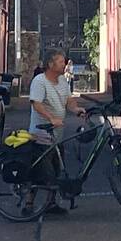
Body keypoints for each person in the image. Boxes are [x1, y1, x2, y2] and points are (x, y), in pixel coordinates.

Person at [27, 50, 85, 214]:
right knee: (40, 171)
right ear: (50, 65)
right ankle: (28, 204)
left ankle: (51, 203)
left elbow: (69, 101)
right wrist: (51, 118)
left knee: (57, 169)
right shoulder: (40, 81)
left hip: (57, 136)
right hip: (41, 135)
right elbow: (36, 104)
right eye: (60, 61)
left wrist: (76, 109)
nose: (64, 64)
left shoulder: (62, 82)